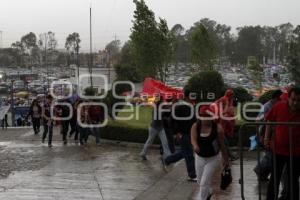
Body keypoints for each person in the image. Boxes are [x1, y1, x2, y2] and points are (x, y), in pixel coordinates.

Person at [264, 87, 300, 200]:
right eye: (293, 99)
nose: (295, 103)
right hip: (278, 149)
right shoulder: (279, 106)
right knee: (275, 178)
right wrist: (266, 138)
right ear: (288, 98)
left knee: (293, 179)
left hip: (296, 151)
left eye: (299, 101)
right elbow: (270, 121)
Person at [191, 105, 229, 200]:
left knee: (204, 182)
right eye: (204, 116)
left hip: (213, 158)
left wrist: (226, 159)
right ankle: (208, 193)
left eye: (208, 116)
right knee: (200, 181)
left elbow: (222, 145)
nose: (206, 119)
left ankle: (202, 198)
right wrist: (195, 145)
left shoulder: (217, 128)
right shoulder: (196, 126)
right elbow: (193, 139)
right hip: (199, 157)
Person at [163, 89, 197, 181]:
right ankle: (192, 175)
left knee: (185, 152)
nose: (193, 99)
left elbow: (194, 121)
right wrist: (176, 132)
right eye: (191, 97)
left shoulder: (191, 107)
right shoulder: (180, 107)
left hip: (190, 133)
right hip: (183, 134)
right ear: (186, 97)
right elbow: (170, 120)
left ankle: (168, 160)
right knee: (189, 154)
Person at [253, 89, 282, 181]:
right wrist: (261, 135)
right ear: (276, 98)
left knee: (271, 155)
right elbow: (258, 120)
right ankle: (260, 170)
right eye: (280, 99)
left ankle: (262, 173)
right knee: (271, 155)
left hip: (271, 135)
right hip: (265, 134)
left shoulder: (274, 106)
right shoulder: (266, 107)